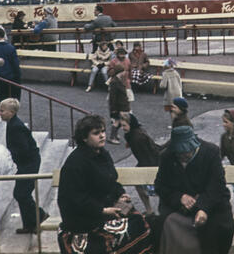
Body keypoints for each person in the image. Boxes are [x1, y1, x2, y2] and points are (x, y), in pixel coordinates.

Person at [57, 114, 152, 254]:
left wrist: (120, 194)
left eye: (102, 131)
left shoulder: (103, 154)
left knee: (140, 221)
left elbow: (111, 180)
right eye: (96, 133)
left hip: (105, 209)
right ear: (84, 138)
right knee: (123, 232)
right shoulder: (75, 163)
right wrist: (102, 210)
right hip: (83, 220)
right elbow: (75, 199)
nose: (102, 136)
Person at [154, 125, 234, 254]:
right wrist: (180, 197)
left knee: (220, 227)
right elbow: (160, 186)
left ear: (194, 146)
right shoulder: (167, 156)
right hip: (179, 207)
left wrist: (203, 208)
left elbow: (217, 185)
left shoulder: (211, 152)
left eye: (186, 152)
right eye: (179, 153)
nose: (182, 156)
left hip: (211, 203)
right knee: (167, 224)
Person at [0, 98, 48, 234]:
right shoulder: (12, 123)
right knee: (21, 194)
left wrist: (10, 156)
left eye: (2, 111)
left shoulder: (16, 126)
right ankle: (30, 224)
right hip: (26, 163)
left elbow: (23, 149)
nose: (0, 113)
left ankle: (40, 215)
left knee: (22, 194)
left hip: (29, 163)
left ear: (12, 112)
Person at [118, 112, 159, 214]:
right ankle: (150, 210)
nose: (122, 128)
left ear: (130, 124)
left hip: (150, 162)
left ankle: (150, 210)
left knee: (148, 187)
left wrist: (145, 172)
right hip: (149, 160)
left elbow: (146, 155)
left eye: (124, 125)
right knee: (140, 185)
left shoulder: (136, 138)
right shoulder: (135, 133)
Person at [0, 28, 21, 102]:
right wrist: (18, 76)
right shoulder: (11, 47)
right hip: (10, 77)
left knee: (0, 100)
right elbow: (15, 64)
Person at [106, 65, 130, 144]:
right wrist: (114, 109)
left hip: (121, 105)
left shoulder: (117, 80)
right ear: (120, 72)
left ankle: (114, 135)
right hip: (119, 106)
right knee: (118, 122)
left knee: (119, 121)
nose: (124, 72)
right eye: (123, 71)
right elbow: (113, 97)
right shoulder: (115, 82)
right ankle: (112, 137)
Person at [159, 58, 182, 122]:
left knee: (171, 110)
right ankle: (179, 122)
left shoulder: (165, 74)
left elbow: (163, 85)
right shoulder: (176, 73)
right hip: (178, 93)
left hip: (170, 94)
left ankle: (174, 123)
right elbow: (180, 83)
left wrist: (160, 85)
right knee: (177, 109)